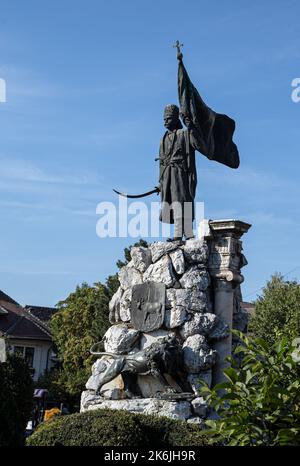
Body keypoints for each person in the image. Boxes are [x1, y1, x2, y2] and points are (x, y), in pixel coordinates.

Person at [158, 104, 203, 240]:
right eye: (164, 119)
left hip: (181, 173)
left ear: (175, 118)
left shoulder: (184, 134)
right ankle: (179, 233)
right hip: (167, 175)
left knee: (182, 201)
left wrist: (191, 127)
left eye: (168, 118)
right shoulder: (163, 139)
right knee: (173, 203)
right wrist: (160, 182)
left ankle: (185, 233)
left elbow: (197, 143)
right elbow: (161, 162)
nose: (165, 121)